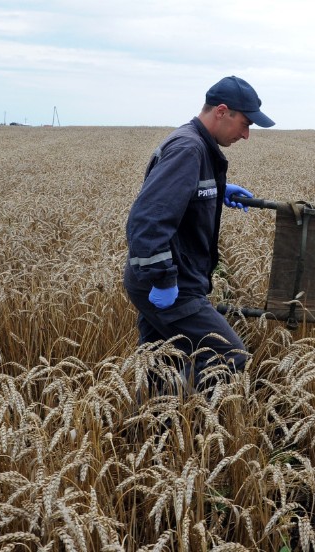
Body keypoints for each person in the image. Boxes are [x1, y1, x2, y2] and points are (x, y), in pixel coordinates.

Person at [124, 75, 275, 391]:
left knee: (161, 364)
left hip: (169, 277)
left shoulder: (197, 147)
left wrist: (216, 191)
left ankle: (153, 431)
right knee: (228, 355)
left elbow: (176, 199)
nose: (246, 135)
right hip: (170, 282)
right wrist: (164, 282)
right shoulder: (189, 149)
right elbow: (147, 221)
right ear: (222, 111)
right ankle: (189, 424)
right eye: (244, 123)